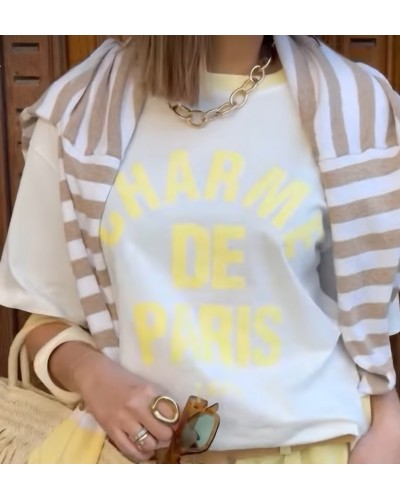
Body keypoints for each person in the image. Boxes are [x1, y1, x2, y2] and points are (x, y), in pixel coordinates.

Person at [1, 35, 400, 464]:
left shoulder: (355, 106)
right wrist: (93, 377)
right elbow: (45, 315)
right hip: (142, 461)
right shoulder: (80, 110)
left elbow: (366, 319)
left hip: (320, 453)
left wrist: (389, 427)